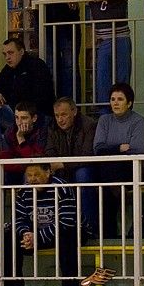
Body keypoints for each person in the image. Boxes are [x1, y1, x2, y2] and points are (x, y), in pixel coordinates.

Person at [3, 163, 79, 286]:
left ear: (48, 172)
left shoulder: (61, 187)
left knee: (68, 235)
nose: (32, 179)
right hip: (34, 235)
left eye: (36, 175)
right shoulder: (24, 191)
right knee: (7, 238)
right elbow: (18, 219)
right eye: (29, 175)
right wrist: (26, 233)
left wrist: (37, 237)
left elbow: (66, 222)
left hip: (61, 232)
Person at [93, 83, 144, 238]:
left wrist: (110, 149)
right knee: (103, 175)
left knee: (108, 176)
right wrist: (120, 148)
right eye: (113, 99)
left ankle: (108, 233)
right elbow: (98, 149)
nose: (115, 103)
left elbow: (138, 148)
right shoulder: (104, 120)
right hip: (110, 170)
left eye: (120, 99)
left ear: (129, 103)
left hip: (136, 168)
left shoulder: (138, 121)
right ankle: (108, 231)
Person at [71, 0, 136, 107]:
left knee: (122, 74)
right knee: (102, 75)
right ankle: (104, 109)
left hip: (121, 38)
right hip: (104, 41)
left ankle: (124, 107)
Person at [0, 37, 54, 145]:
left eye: (10, 53)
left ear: (21, 51)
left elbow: (44, 97)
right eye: (5, 54)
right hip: (15, 115)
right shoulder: (8, 70)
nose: (7, 57)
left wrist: (25, 113)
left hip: (35, 116)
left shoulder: (36, 65)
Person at [45, 96, 98, 233]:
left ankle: (89, 228)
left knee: (82, 175)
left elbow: (87, 155)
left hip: (85, 168)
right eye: (57, 115)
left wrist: (62, 164)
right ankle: (54, 229)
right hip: (61, 170)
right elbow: (50, 152)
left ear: (74, 112)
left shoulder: (89, 125)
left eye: (64, 115)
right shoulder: (51, 127)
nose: (60, 119)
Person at [0, 101, 47, 184]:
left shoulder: (42, 132)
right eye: (17, 118)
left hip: (35, 170)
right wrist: (23, 165)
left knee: (29, 173)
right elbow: (4, 159)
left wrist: (20, 138)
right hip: (16, 170)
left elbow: (35, 160)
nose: (19, 122)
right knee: (0, 174)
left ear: (34, 118)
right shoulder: (10, 132)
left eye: (24, 118)